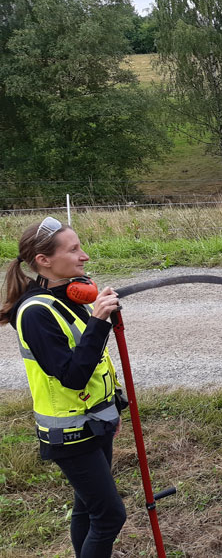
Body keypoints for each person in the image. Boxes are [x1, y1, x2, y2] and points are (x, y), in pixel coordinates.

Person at [0, 217, 127, 558]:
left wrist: (112, 408)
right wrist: (99, 321)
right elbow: (72, 375)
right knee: (110, 516)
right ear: (44, 260)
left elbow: (93, 360)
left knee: (87, 508)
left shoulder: (69, 296)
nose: (84, 256)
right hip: (70, 433)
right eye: (73, 250)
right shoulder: (35, 312)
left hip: (96, 421)